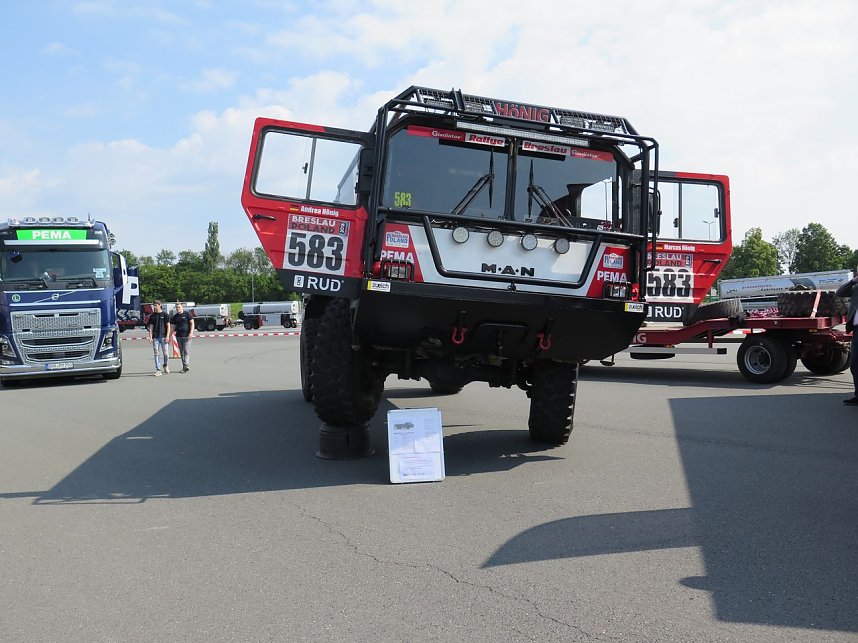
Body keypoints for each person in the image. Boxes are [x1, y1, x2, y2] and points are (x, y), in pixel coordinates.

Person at [835, 274, 858, 406]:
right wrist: (853, 280)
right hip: (857, 330)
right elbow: (840, 292)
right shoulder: (855, 287)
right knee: (855, 364)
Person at [146, 300, 171, 376]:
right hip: (155, 337)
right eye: (154, 305)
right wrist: (150, 336)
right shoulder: (152, 316)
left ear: (160, 305)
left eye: (156, 305)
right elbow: (151, 327)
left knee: (166, 353)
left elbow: (168, 326)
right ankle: (158, 369)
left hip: (163, 336)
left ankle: (165, 364)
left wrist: (167, 336)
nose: (154, 306)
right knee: (156, 353)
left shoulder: (165, 314)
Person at [170, 302, 195, 373]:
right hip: (179, 336)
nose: (178, 309)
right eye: (177, 308)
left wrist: (191, 332)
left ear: (182, 307)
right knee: (181, 351)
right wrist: (169, 335)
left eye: (179, 307)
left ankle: (186, 365)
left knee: (186, 350)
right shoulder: (175, 317)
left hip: (187, 336)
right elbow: (173, 326)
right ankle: (184, 366)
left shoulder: (187, 314)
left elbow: (192, 323)